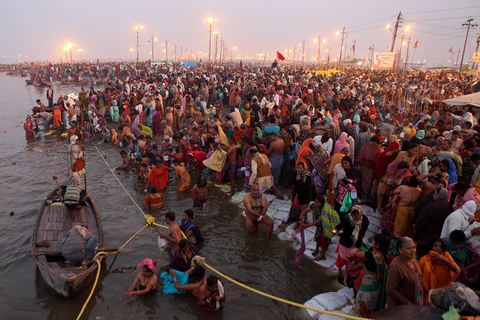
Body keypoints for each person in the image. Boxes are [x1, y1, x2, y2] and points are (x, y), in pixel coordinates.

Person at [349, 233, 390, 316]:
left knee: (364, 301)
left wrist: (354, 251)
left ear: (378, 245)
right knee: (371, 303)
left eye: (374, 241)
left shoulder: (372, 254)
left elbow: (353, 255)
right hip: (377, 285)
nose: (372, 242)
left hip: (369, 284)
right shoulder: (384, 255)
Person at [418, 237, 459, 304]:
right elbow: (420, 278)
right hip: (429, 293)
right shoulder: (424, 260)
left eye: (440, 246)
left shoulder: (446, 256)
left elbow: (457, 270)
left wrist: (444, 260)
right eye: (435, 246)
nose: (438, 248)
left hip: (443, 291)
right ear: (431, 246)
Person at [334, 205, 370, 282]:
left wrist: (357, 246)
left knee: (350, 260)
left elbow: (361, 235)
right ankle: (339, 271)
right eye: (353, 214)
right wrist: (336, 229)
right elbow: (340, 225)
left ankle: (346, 277)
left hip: (354, 243)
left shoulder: (364, 221)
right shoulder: (347, 218)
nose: (355, 216)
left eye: (357, 214)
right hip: (344, 241)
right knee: (341, 259)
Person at [386, 237, 423, 306]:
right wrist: (407, 303)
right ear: (400, 250)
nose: (413, 251)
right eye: (409, 248)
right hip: (400, 308)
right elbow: (390, 289)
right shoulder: (396, 267)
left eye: (414, 247)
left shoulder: (413, 259)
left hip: (416, 300)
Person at [288, 161, 312, 225]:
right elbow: (289, 182)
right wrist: (296, 180)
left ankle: (301, 220)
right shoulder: (296, 173)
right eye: (298, 168)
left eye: (300, 168)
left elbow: (307, 187)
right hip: (297, 194)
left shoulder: (308, 176)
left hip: (304, 196)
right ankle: (294, 218)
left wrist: (299, 181)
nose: (299, 170)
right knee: (295, 207)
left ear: (304, 168)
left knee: (303, 209)